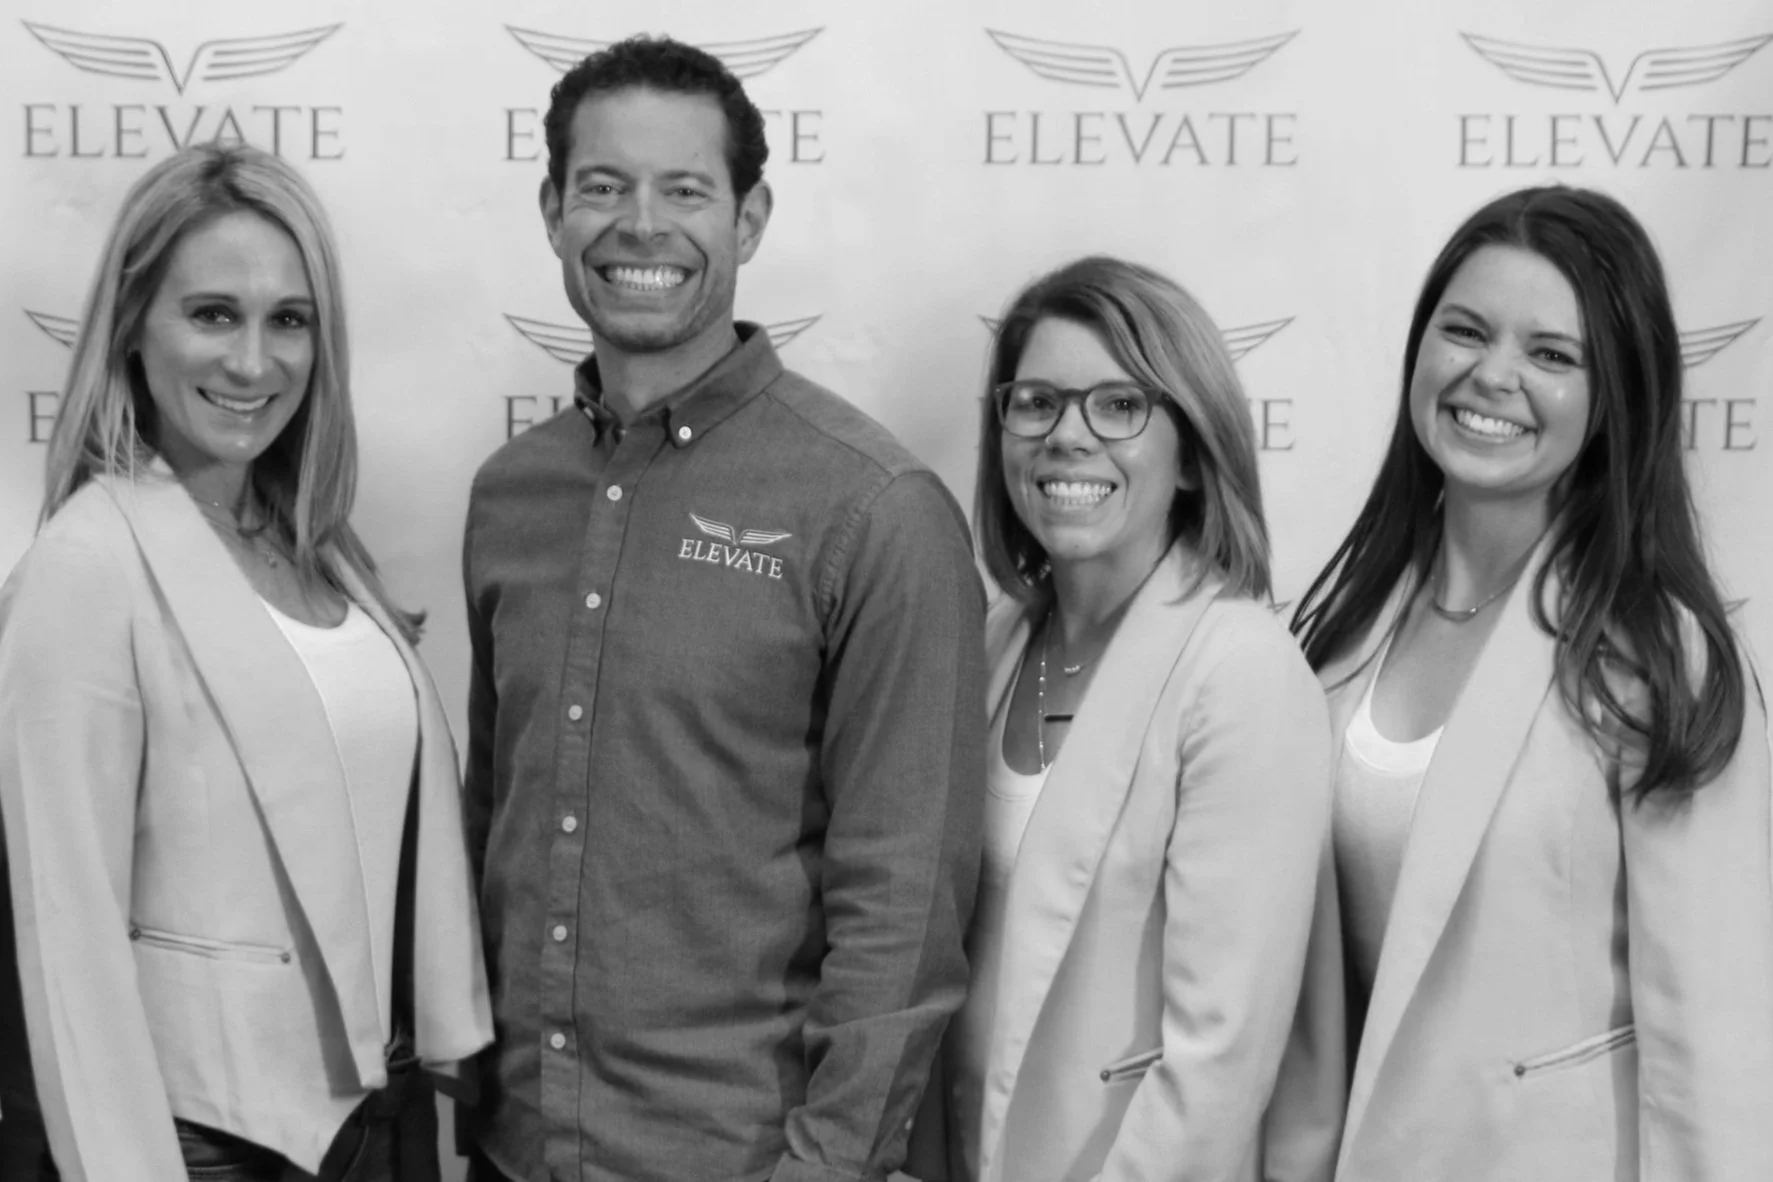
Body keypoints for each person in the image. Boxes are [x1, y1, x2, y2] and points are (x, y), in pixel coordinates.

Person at [458, 35, 986, 1182]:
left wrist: (831, 1164)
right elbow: (493, 816)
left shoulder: (873, 506)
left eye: (685, 191)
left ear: (749, 219)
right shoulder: (510, 496)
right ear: (552, 211)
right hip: (516, 1150)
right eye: (604, 186)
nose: (641, 225)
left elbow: (905, 899)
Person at [0, 143, 494, 1182]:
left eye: (290, 320)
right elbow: (64, 930)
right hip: (207, 1144)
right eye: (214, 314)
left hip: (383, 1117)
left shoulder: (316, 544)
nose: (253, 362)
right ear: (132, 327)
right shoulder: (85, 567)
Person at [1283, 185, 1773, 1180]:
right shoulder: (1333, 634)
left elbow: (1712, 1029)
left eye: (1551, 355)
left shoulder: (1655, 655)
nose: (1491, 374)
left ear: (1614, 396)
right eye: (1465, 331)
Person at [906, 256, 1333, 1182]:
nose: (1068, 436)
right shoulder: (992, 642)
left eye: (1119, 406)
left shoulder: (1241, 673)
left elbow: (1216, 1063)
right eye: (1036, 403)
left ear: (1192, 456)